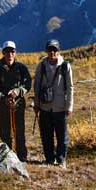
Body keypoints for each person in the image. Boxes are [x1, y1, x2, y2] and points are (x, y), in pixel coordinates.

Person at [33, 39, 74, 168]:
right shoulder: (41, 65)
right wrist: (36, 104)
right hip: (45, 106)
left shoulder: (65, 66)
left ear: (58, 51)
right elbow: (37, 86)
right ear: (47, 51)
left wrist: (69, 106)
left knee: (62, 136)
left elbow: (70, 87)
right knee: (46, 135)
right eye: (50, 49)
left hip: (60, 107)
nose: (52, 52)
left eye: (55, 50)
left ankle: (61, 160)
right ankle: (50, 159)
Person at [0, 41, 31, 161]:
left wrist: (19, 91)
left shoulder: (21, 68)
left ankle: (22, 157)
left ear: (15, 52)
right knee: (4, 132)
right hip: (2, 107)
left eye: (12, 51)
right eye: (7, 51)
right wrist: (3, 98)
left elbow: (27, 84)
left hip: (18, 105)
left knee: (20, 132)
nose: (10, 54)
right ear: (3, 53)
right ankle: (7, 157)